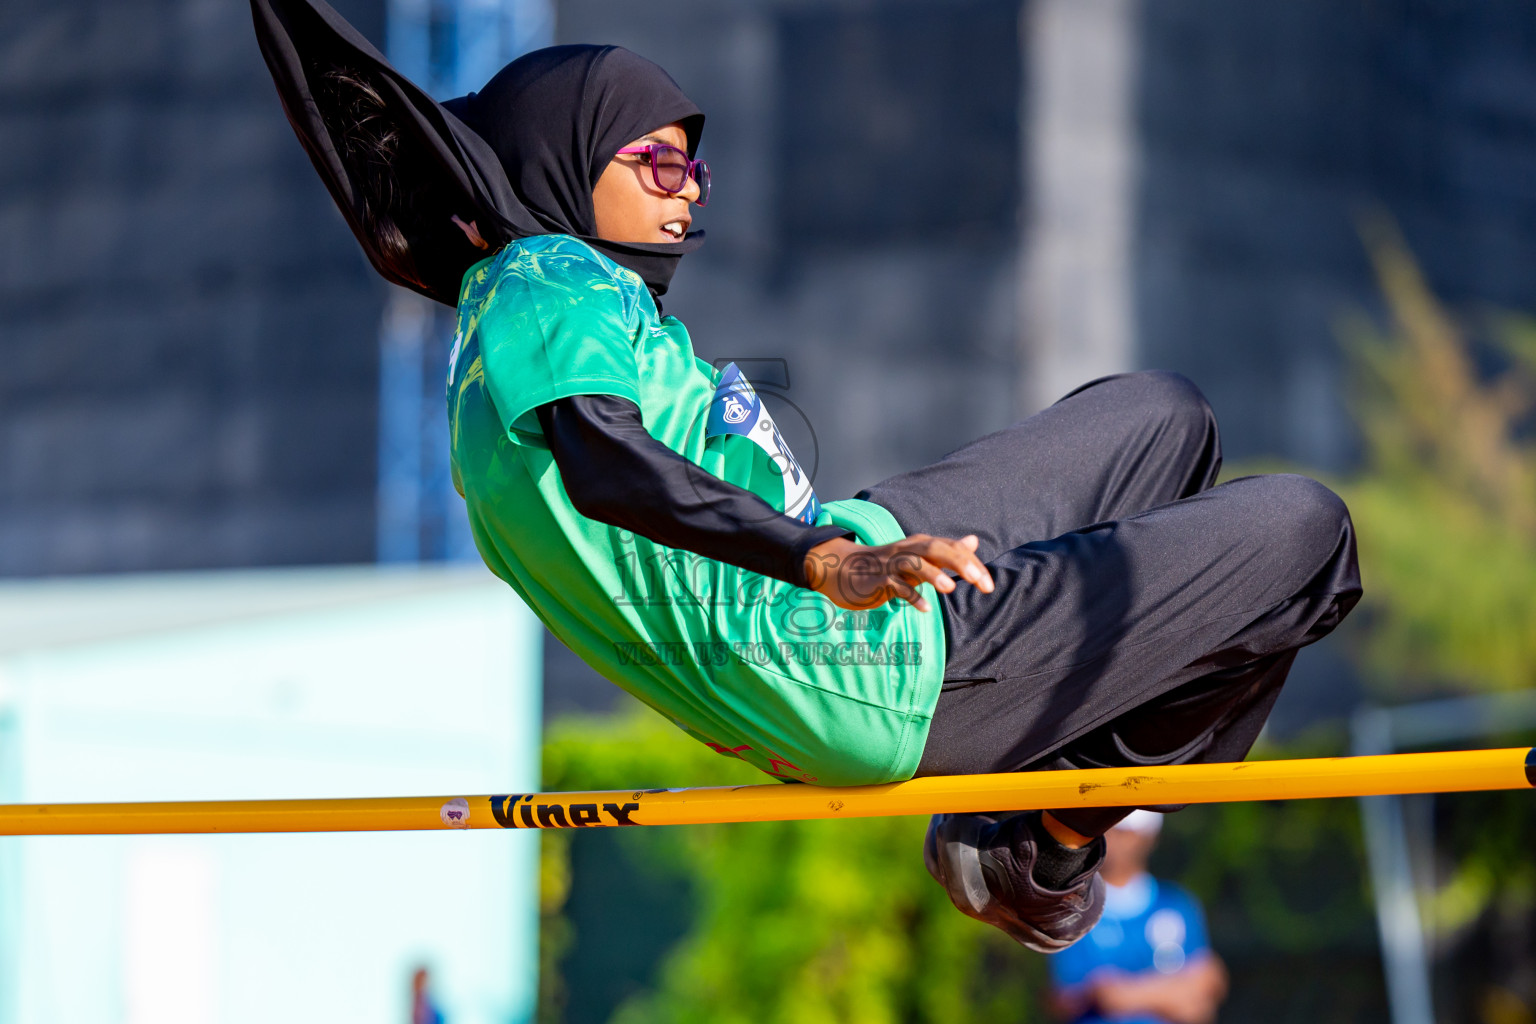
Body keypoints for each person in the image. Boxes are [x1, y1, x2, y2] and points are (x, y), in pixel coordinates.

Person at [252, 0, 1363, 954]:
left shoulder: (536, 323)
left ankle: (1035, 809)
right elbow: (603, 460)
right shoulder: (544, 276)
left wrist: (830, 542)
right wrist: (822, 559)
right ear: (563, 155)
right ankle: (1047, 846)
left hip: (838, 569)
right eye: (660, 160)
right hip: (855, 656)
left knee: (1164, 419)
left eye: (696, 162)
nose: (691, 191)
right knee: (1308, 534)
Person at [1049, 811, 1227, 1024]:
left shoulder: (1177, 904)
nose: (1112, 839)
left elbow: (1204, 991)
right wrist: (1171, 993)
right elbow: (1071, 994)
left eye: (1123, 832)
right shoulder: (1073, 909)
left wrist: (1128, 994)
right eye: (1107, 830)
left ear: (1149, 837)